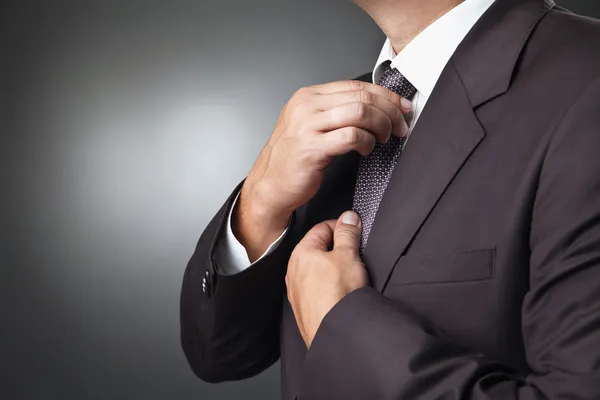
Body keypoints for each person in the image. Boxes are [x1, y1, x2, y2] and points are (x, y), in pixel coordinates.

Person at [180, 0, 600, 398]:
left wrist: (340, 327)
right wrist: (261, 203)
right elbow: (218, 354)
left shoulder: (586, 83)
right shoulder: (340, 120)